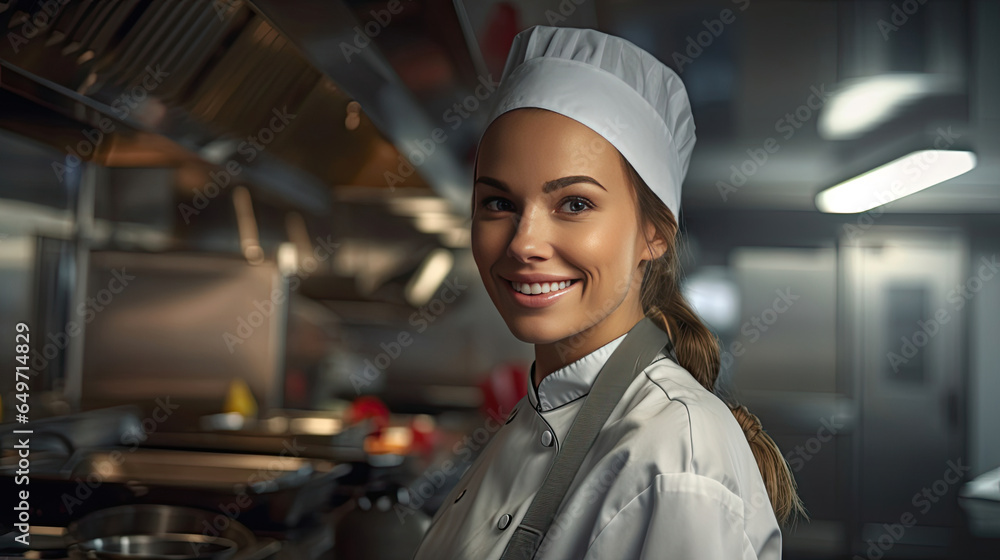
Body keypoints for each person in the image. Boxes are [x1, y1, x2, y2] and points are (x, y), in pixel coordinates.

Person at [411, 25, 807, 560]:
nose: (524, 243)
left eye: (574, 204)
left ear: (655, 234)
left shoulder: (677, 455)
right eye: (498, 204)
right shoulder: (536, 413)